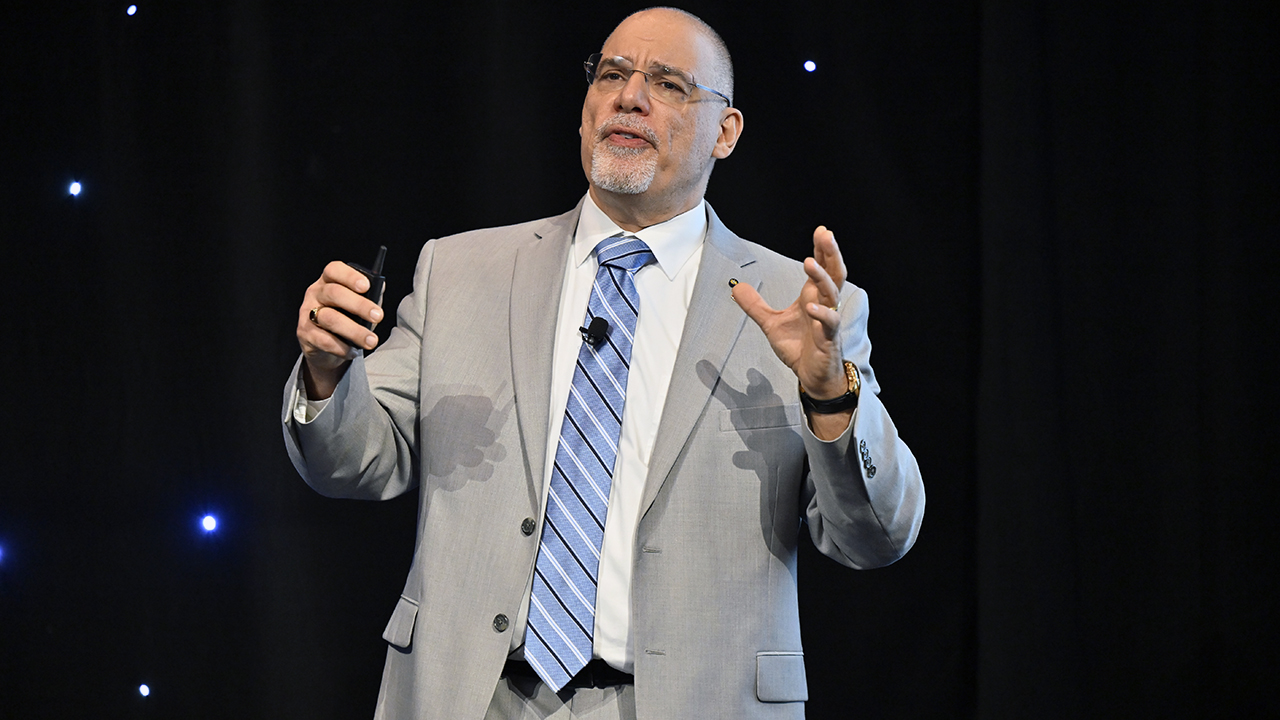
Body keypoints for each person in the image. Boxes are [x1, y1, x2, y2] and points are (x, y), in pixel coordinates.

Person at [282, 7, 924, 719]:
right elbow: (355, 462)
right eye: (612, 74)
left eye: (671, 84)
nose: (630, 96)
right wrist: (328, 374)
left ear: (727, 131)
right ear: (587, 106)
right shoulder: (460, 270)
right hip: (470, 696)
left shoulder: (797, 307)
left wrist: (830, 395)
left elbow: (875, 538)